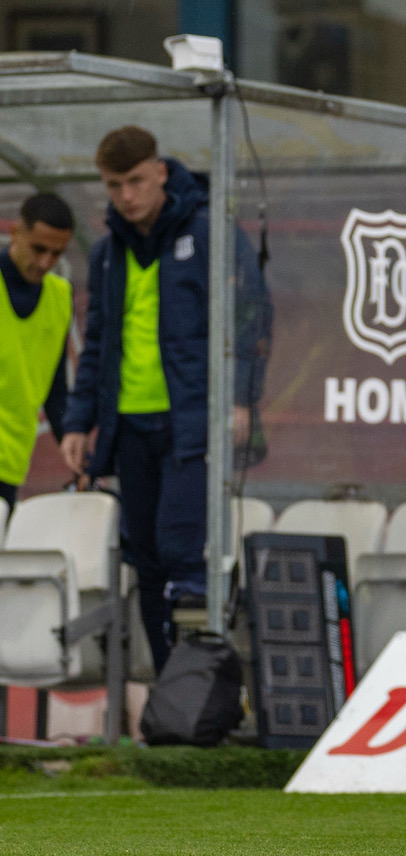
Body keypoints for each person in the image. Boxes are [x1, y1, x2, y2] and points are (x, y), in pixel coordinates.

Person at [60, 125, 272, 673]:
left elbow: (250, 317)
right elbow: (99, 341)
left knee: (183, 554)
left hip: (193, 422)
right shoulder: (108, 252)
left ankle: (199, 687)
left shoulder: (208, 232)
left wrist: (243, 398)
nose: (126, 196)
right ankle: (168, 694)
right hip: (130, 425)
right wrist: (79, 422)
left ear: (159, 171)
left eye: (134, 181)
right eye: (113, 186)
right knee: (146, 559)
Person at [0, 192, 75, 515]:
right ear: (17, 232)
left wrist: (75, 448)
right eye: (38, 249)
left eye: (56, 253)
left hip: (10, 463)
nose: (45, 262)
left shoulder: (60, 297)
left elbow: (56, 391)